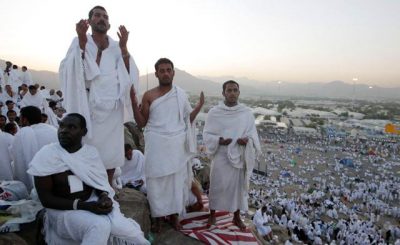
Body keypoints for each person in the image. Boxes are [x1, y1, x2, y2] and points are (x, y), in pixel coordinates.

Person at [27, 113, 149, 245]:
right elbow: (46, 200)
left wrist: (103, 197)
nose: (63, 131)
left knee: (133, 236)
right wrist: (84, 206)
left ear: (83, 132)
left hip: (92, 202)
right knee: (98, 226)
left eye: (71, 127)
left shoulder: (90, 154)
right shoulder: (46, 155)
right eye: (61, 126)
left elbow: (99, 184)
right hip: (62, 212)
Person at [60, 5, 139, 185]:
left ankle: (107, 189)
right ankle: (85, 188)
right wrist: (81, 42)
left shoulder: (116, 46)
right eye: (97, 15)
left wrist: (124, 48)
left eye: (105, 16)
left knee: (110, 152)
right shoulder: (79, 41)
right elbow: (69, 70)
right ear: (90, 20)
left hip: (112, 108)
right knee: (86, 148)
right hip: (88, 105)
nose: (102, 18)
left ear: (109, 23)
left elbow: (129, 74)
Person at [130, 57, 204, 231]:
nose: (165, 73)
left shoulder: (181, 94)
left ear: (173, 73)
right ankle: (156, 218)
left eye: (168, 70)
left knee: (176, 182)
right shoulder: (149, 95)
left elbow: (187, 121)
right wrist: (134, 104)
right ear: (156, 73)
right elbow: (141, 123)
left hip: (176, 145)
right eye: (161, 70)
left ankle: (174, 216)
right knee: (156, 182)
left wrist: (199, 106)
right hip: (156, 144)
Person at [203, 80, 261, 230]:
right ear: (223, 93)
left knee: (237, 188)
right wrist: (219, 140)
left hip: (238, 156)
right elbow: (207, 134)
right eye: (229, 90)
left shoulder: (246, 113)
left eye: (235, 90)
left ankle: (236, 216)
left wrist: (246, 140)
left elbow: (252, 134)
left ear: (239, 93)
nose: (232, 93)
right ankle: (212, 214)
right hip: (221, 155)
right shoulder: (214, 113)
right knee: (216, 185)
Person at [10, 106, 57, 191]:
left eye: (20, 118)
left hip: (38, 181)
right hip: (57, 177)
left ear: (24, 119)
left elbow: (19, 162)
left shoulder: (22, 134)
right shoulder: (53, 129)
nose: (20, 121)